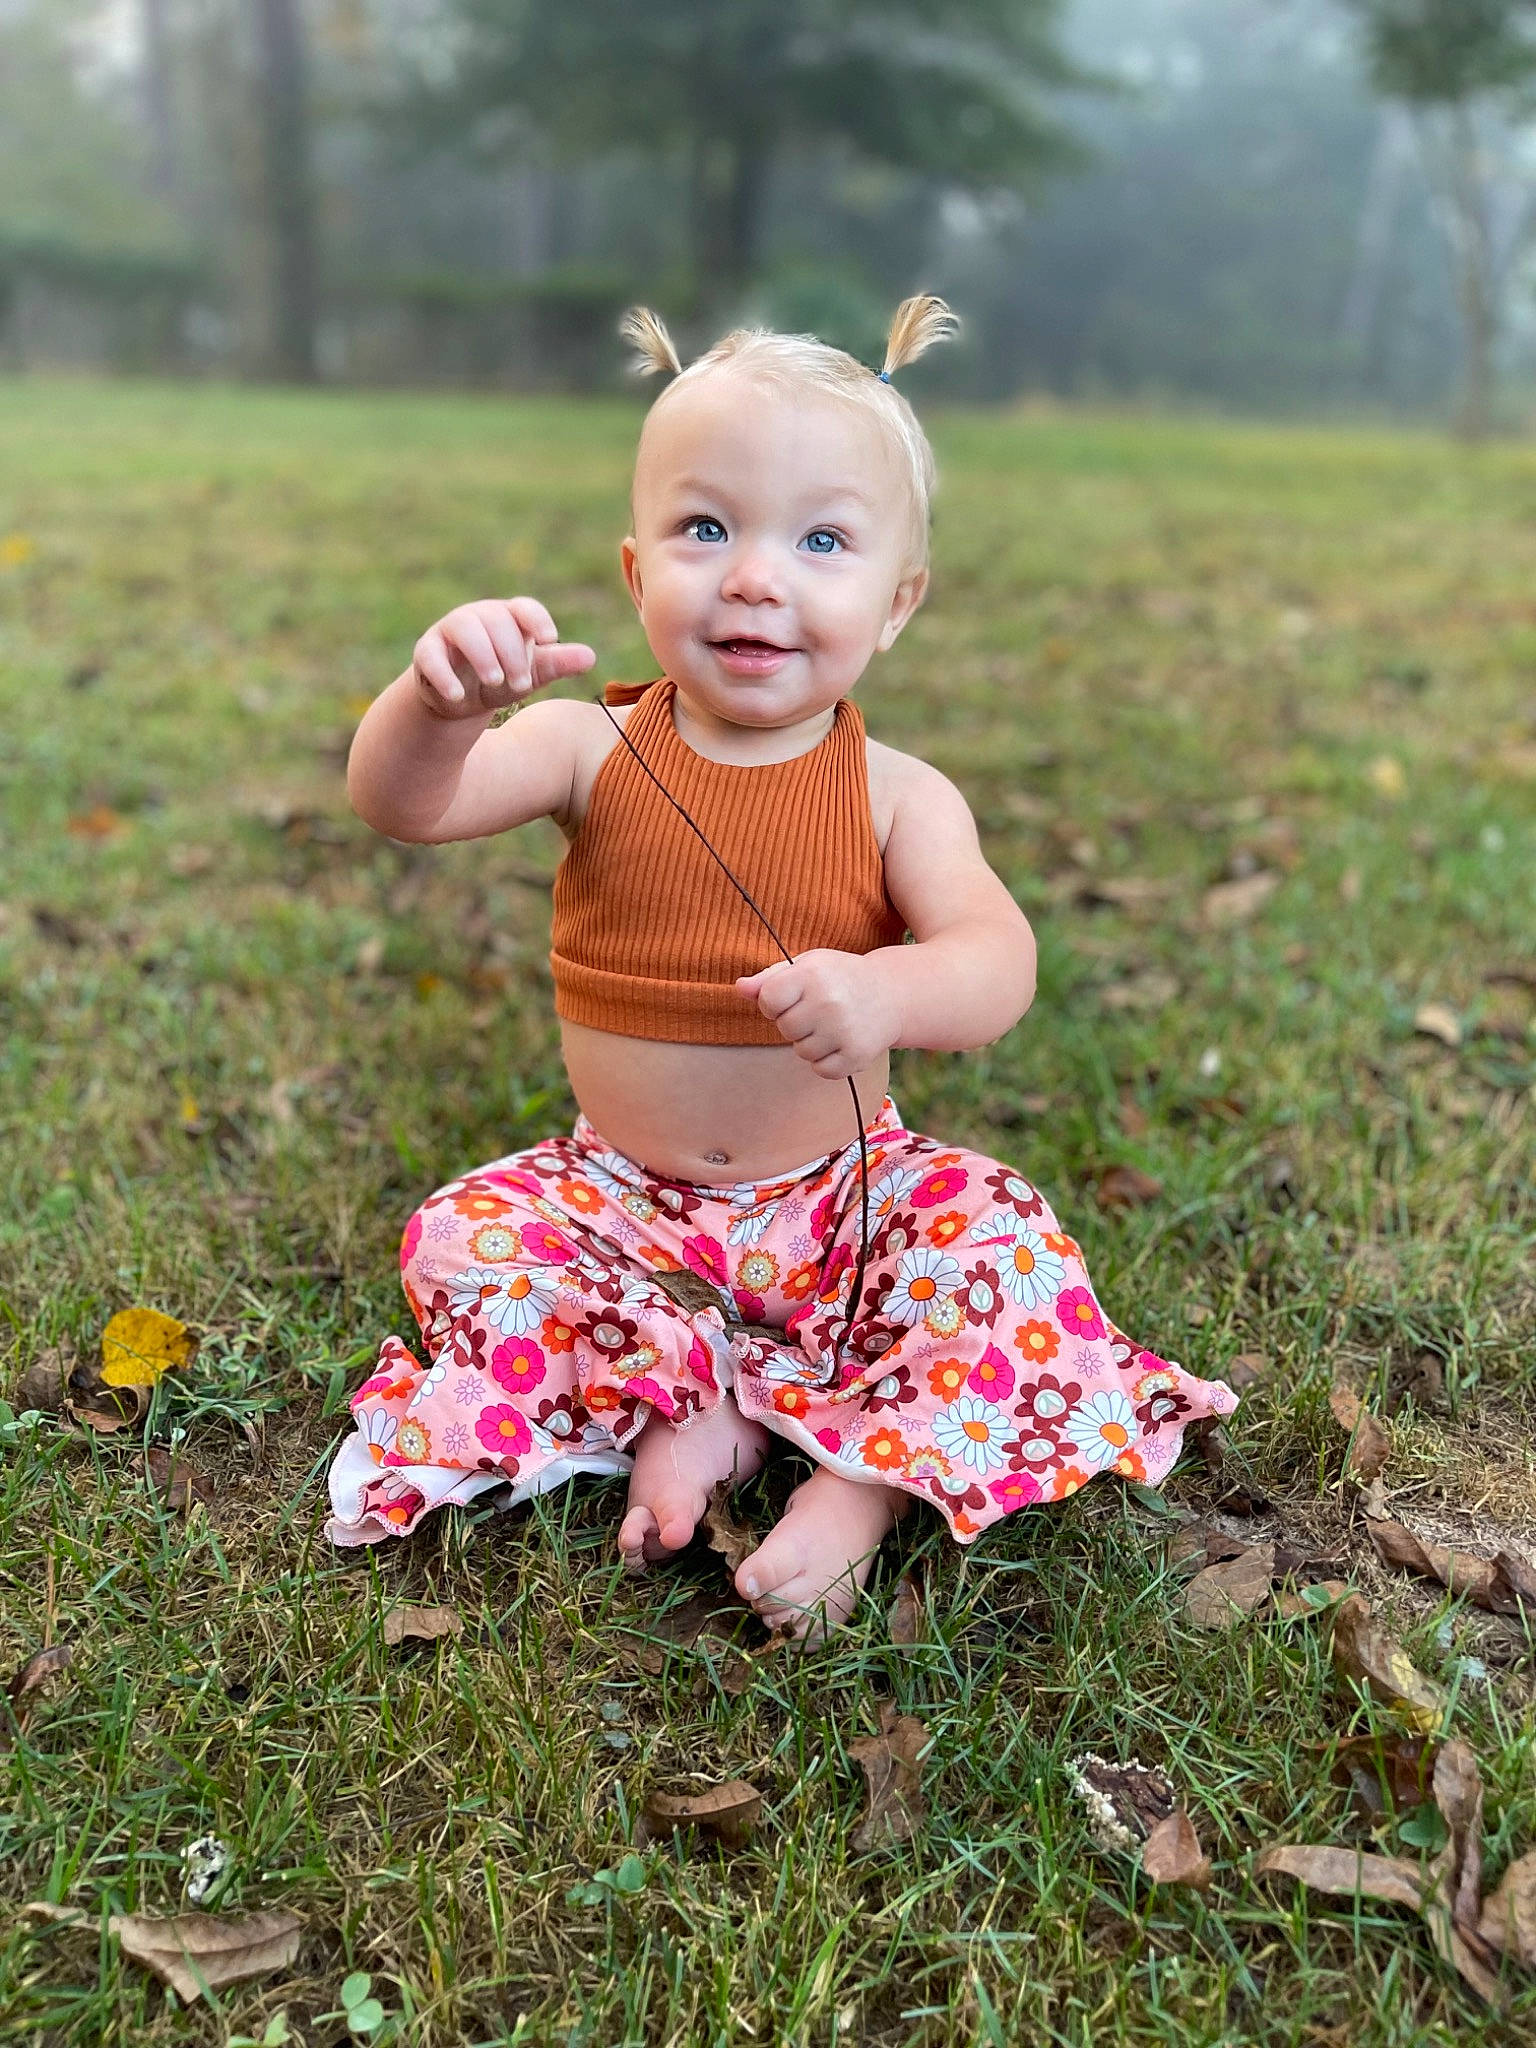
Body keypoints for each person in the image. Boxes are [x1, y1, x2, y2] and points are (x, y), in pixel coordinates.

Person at [326, 295, 1237, 1635]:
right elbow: (406, 805)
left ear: (897, 600)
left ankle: (865, 1484)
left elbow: (998, 962)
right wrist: (434, 705)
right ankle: (692, 1406)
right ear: (638, 575)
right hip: (625, 1198)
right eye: (708, 529)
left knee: (1004, 1253)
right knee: (467, 1239)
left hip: (844, 1203)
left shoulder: (896, 793)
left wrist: (887, 993)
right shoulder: (588, 746)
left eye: (822, 540)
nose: (756, 575)